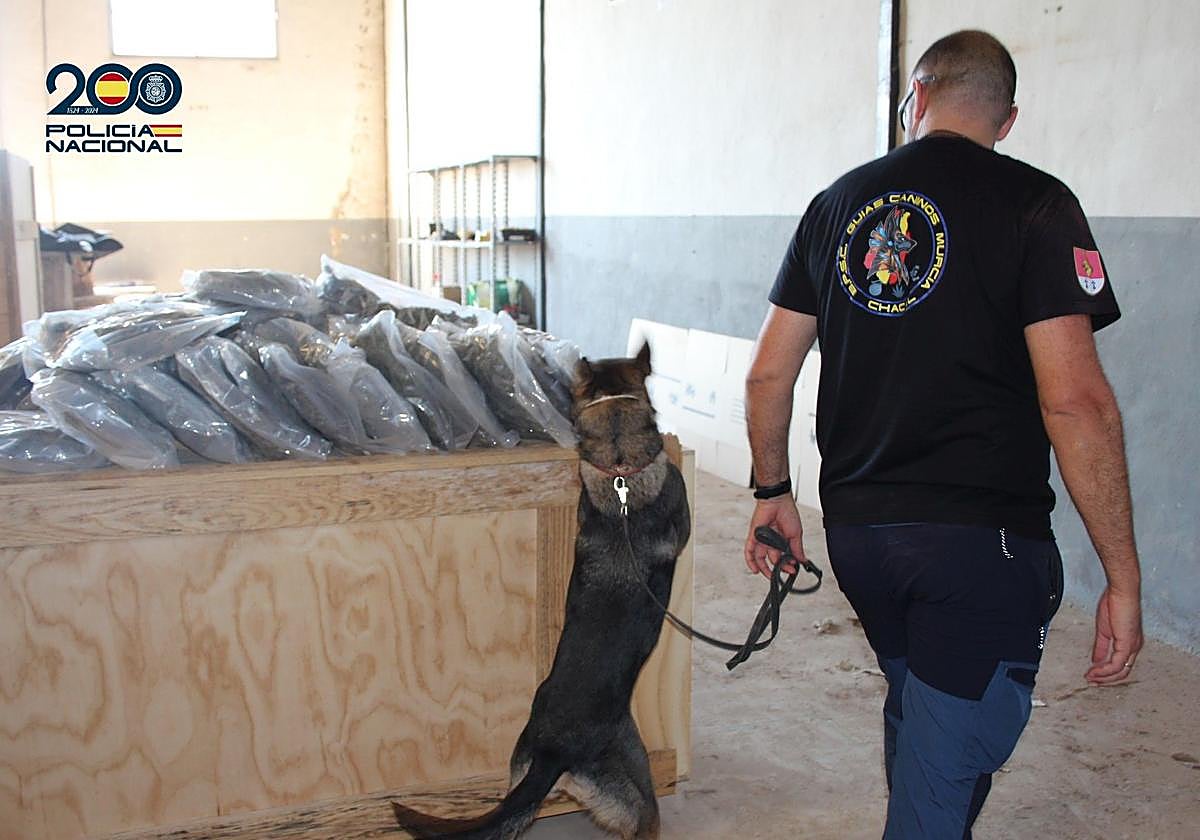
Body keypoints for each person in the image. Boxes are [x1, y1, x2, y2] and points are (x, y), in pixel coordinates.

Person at [742, 30, 1143, 839]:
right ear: (1009, 118)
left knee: (924, 721)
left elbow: (768, 375)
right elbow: (1077, 406)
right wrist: (1123, 577)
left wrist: (771, 492)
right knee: (944, 777)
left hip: (861, 538)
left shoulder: (837, 204)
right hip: (977, 552)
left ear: (915, 99)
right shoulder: (1037, 204)